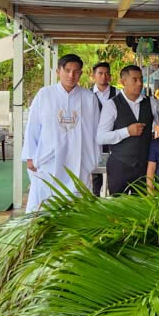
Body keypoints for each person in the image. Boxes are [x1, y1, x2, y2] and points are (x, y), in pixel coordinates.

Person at [22, 54, 101, 213]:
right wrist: (30, 156)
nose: (71, 75)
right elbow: (33, 127)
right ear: (58, 71)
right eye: (67, 70)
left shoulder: (89, 97)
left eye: (76, 71)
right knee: (44, 205)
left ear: (81, 73)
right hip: (49, 159)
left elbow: (95, 130)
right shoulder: (45, 94)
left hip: (79, 161)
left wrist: (94, 159)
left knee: (76, 208)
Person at [97, 65, 159, 195]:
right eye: (134, 80)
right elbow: (101, 137)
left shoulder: (151, 103)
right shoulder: (111, 105)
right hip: (119, 165)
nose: (140, 83)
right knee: (118, 204)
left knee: (142, 204)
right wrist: (127, 131)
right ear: (123, 82)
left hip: (144, 166)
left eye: (141, 79)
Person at [91, 61, 118, 196]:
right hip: (94, 140)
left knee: (113, 173)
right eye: (100, 73)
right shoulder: (87, 95)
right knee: (96, 174)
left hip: (113, 140)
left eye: (107, 73)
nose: (104, 76)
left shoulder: (118, 94)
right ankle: (96, 199)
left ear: (110, 76)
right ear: (93, 75)